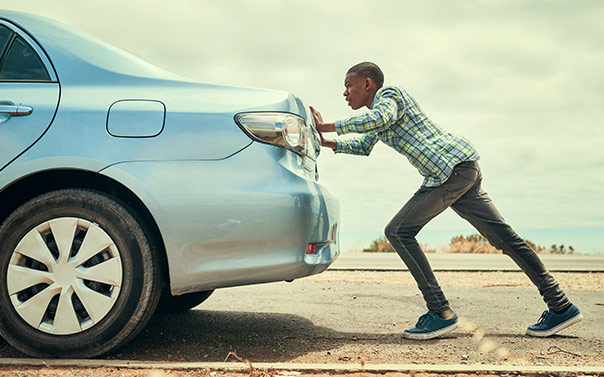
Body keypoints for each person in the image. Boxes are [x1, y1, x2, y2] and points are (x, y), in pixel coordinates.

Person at [310, 61, 582, 340]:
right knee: (505, 238)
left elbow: (379, 119)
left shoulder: (390, 95)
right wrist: (323, 140)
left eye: (348, 85)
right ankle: (560, 305)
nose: (345, 93)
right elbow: (363, 145)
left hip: (448, 171)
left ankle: (440, 313)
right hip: (462, 168)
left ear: (367, 83)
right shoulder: (380, 117)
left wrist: (327, 125)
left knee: (399, 231)